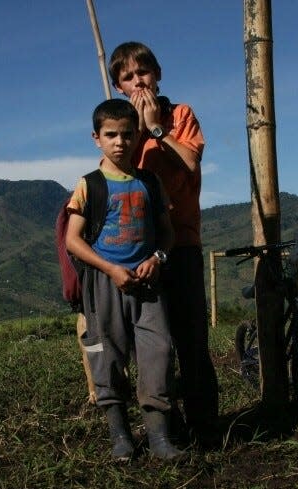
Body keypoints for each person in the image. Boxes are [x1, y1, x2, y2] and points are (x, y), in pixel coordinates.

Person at [108, 41, 219, 444]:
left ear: (158, 74)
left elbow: (190, 162)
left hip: (183, 241)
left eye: (144, 73)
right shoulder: (122, 127)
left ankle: (206, 425)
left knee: (192, 339)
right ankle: (166, 430)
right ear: (119, 87)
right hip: (142, 247)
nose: (139, 82)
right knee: (154, 344)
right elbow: (117, 171)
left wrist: (156, 128)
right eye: (128, 77)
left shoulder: (180, 115)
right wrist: (135, 130)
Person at [66, 98, 183, 462]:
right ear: (96, 138)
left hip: (148, 285)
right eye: (111, 135)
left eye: (127, 135)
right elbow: (73, 239)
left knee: (158, 353)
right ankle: (121, 438)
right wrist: (110, 269)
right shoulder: (90, 185)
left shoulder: (150, 182)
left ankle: (159, 439)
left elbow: (167, 232)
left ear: (137, 136)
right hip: (105, 285)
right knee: (108, 359)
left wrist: (158, 258)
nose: (120, 142)